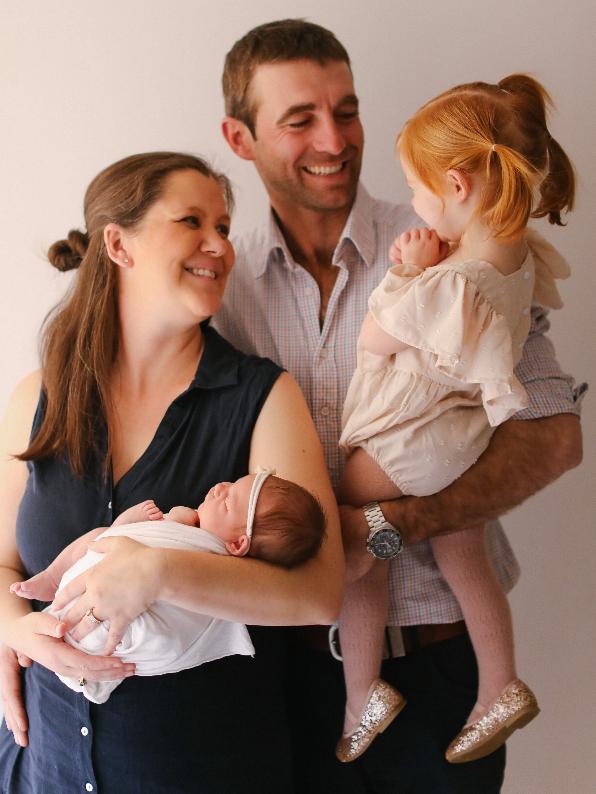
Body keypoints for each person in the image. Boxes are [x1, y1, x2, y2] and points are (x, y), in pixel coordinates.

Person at [214, 19, 584, 793]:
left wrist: (387, 527)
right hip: (283, 673)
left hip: (441, 667)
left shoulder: (455, 243)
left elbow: (553, 439)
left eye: (346, 110)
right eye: (300, 119)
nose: (335, 139)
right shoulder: (223, 284)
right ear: (239, 139)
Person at [0, 151, 342, 793]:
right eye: (193, 221)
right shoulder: (38, 397)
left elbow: (320, 594)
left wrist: (161, 569)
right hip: (44, 770)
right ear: (118, 244)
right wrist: (14, 630)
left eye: (223, 226)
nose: (220, 244)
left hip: (206, 771)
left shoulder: (262, 398)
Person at [335, 73, 575, 764]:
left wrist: (407, 271)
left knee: (354, 532)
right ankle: (500, 683)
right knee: (462, 547)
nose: (414, 204)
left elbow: (376, 338)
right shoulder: (514, 259)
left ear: (457, 186)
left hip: (412, 442)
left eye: (418, 188)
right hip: (460, 446)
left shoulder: (449, 283)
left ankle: (361, 690)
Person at [10, 470, 326, 703]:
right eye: (230, 484)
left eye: (228, 501)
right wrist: (10, 628)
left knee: (102, 536)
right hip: (54, 657)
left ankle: (55, 581)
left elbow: (134, 539)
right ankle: (53, 580)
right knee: (102, 536)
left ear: (238, 543)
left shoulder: (205, 550)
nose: (219, 487)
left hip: (122, 628)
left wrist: (157, 524)